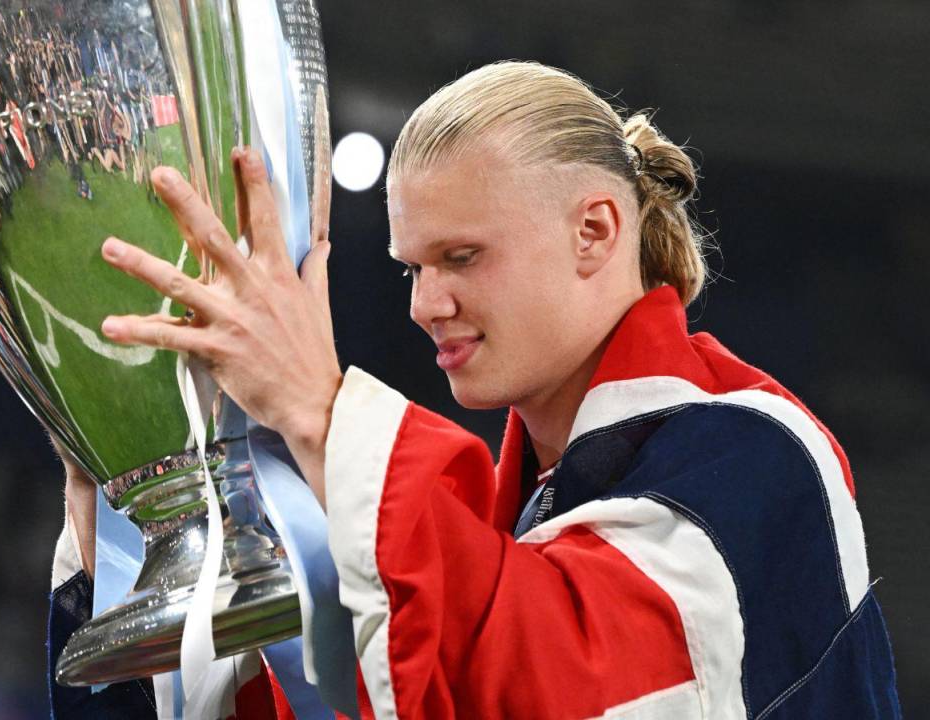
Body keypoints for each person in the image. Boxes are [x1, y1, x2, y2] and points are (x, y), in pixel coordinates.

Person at [51, 61, 900, 718]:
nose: (425, 306)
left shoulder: (758, 456)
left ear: (595, 231)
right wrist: (126, 495)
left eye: (462, 257)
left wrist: (319, 410)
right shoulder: (511, 526)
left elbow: (552, 690)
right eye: (413, 267)